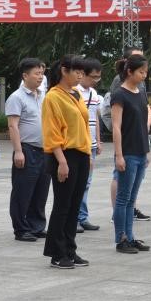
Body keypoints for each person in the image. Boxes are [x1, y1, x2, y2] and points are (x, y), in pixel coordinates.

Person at [42, 55, 92, 269]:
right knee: (62, 205)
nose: (80, 76)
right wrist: (62, 162)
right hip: (63, 154)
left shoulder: (76, 94)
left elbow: (84, 126)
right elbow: (51, 132)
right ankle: (57, 253)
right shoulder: (53, 97)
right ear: (64, 71)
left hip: (81, 154)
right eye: (77, 71)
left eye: (82, 72)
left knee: (74, 205)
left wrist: (88, 154)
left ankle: (70, 250)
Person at [7, 57, 51, 242]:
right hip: (27, 149)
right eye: (36, 73)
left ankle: (37, 226)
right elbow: (13, 125)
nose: (40, 77)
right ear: (25, 76)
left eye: (42, 73)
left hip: (45, 150)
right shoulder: (16, 97)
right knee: (22, 192)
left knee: (41, 191)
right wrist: (18, 151)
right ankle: (21, 229)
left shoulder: (43, 95)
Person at [111, 54, 151, 254]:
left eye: (145, 72)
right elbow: (116, 127)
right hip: (127, 152)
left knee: (131, 199)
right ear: (129, 72)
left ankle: (130, 236)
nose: (144, 75)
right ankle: (121, 239)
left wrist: (146, 151)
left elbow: (142, 125)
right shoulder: (119, 94)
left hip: (140, 151)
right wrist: (119, 155)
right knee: (123, 198)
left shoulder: (140, 93)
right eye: (141, 72)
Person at [75, 58, 102, 232]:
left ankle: (82, 217)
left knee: (86, 182)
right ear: (83, 74)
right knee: (78, 183)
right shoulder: (74, 92)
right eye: (93, 77)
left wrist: (98, 140)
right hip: (79, 144)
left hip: (91, 144)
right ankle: (75, 218)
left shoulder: (93, 93)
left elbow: (95, 118)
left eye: (98, 77)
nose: (96, 80)